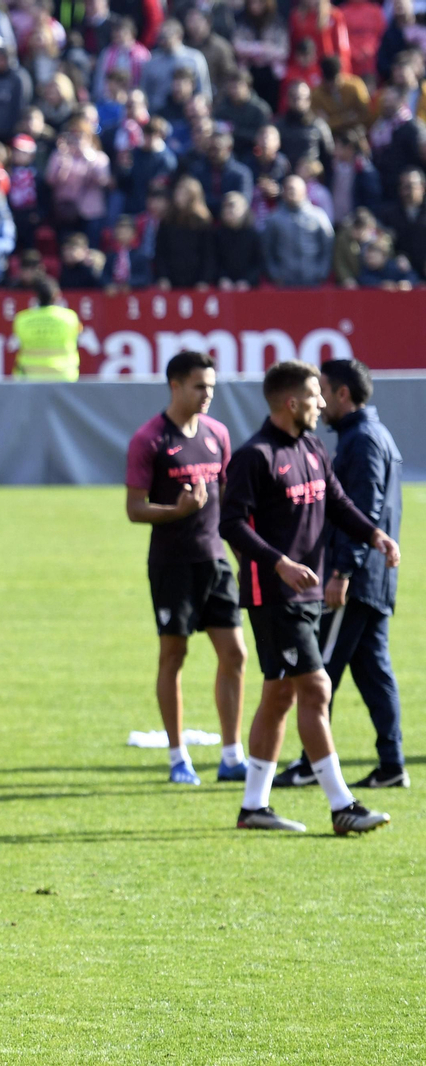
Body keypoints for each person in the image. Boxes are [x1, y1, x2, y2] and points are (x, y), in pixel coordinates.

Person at [220, 360, 400, 835]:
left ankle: (254, 807)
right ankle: (342, 806)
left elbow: (337, 503)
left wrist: (376, 535)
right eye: (315, 396)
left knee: (279, 695)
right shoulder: (254, 456)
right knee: (317, 689)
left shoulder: (314, 448)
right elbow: (230, 523)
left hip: (309, 591)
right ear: (291, 402)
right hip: (274, 594)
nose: (323, 403)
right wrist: (278, 561)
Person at [274, 359, 406, 789]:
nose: (320, 401)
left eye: (323, 391)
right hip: (373, 579)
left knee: (318, 670)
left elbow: (363, 510)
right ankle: (392, 765)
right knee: (373, 671)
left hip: (354, 580)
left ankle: (313, 763)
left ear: (342, 394)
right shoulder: (371, 435)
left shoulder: (362, 440)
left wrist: (343, 570)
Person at [124, 350, 247, 785]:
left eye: (211, 386)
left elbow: (231, 497)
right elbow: (134, 510)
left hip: (215, 560)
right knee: (173, 656)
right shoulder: (150, 440)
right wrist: (177, 511)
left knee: (235, 654)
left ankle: (232, 756)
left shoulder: (217, 434)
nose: (207, 395)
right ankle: (179, 757)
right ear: (175, 385)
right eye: (199, 386)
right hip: (172, 564)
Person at [12, 278, 83, 381]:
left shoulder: (22, 319)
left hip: (30, 376)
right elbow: (77, 339)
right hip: (64, 376)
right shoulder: (70, 318)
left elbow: (19, 342)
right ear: (56, 296)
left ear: (36, 297)